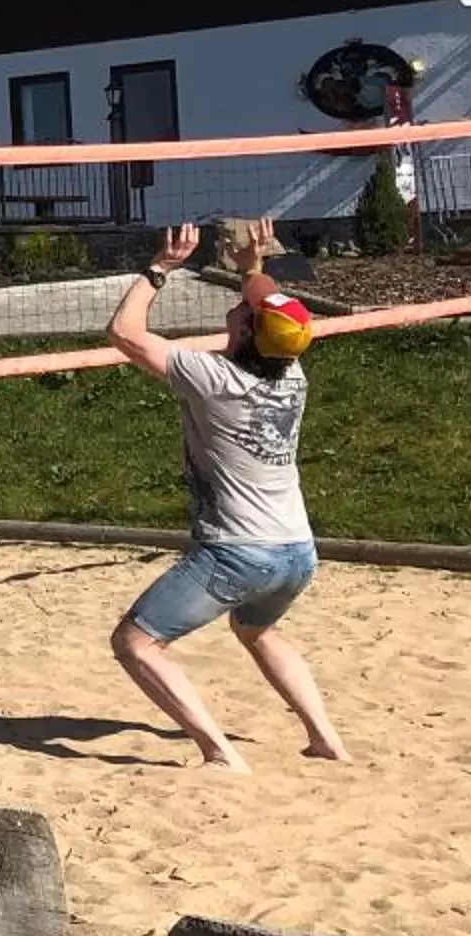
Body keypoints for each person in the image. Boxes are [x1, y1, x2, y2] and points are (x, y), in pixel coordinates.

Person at [105, 220, 350, 773]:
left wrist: (161, 267)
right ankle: (326, 739)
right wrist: (251, 266)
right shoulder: (292, 374)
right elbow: (267, 304)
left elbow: (124, 331)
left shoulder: (214, 379)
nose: (240, 306)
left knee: (135, 642)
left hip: (238, 552)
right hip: (297, 551)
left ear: (243, 334)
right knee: (256, 629)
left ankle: (219, 751)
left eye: (245, 312)